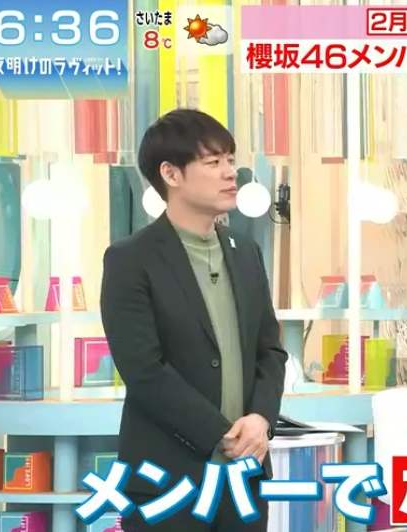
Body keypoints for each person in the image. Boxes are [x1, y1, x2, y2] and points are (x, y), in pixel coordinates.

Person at [100, 109, 288, 531]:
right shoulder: (130, 260)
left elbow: (270, 351)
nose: (230, 172)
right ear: (171, 173)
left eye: (230, 160)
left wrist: (261, 420)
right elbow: (144, 370)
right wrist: (222, 433)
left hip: (244, 478)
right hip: (166, 480)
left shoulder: (246, 252)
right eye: (213, 162)